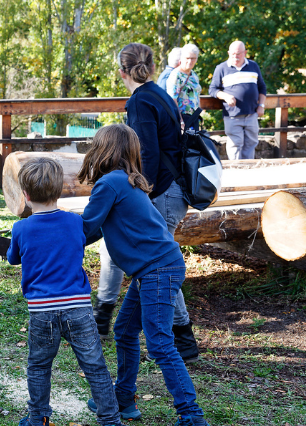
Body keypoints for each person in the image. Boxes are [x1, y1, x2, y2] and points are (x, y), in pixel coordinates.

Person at [81, 124, 209, 426]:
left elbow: (85, 229)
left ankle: (192, 416)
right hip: (155, 270)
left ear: (103, 150)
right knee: (125, 331)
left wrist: (49, 229)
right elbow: (95, 229)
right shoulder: (126, 182)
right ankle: (123, 399)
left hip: (157, 271)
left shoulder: (109, 184)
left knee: (160, 344)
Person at [93, 43, 199, 364]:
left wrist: (141, 193)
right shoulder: (159, 93)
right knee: (112, 246)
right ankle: (101, 318)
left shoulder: (141, 101)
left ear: (121, 71)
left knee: (160, 264)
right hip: (169, 188)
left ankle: (184, 339)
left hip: (162, 191)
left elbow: (148, 153)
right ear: (151, 67)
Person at [7, 158, 124, 426]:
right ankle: (110, 420)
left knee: (39, 366)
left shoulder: (21, 228)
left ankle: (38, 419)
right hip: (78, 308)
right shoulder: (74, 222)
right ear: (60, 191)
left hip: (42, 312)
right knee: (95, 366)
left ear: (25, 195)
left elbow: (13, 258)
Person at [208, 40, 267, 160]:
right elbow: (213, 90)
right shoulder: (221, 68)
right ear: (228, 53)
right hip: (232, 115)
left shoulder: (253, 66)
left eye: (239, 53)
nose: (236, 56)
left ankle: (248, 171)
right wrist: (225, 96)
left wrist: (261, 105)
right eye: (233, 53)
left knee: (251, 143)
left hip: (252, 113)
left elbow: (262, 87)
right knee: (235, 145)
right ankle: (236, 170)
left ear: (245, 53)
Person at [166, 43, 202, 116]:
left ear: (196, 59)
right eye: (187, 58)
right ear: (181, 58)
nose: (190, 61)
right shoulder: (176, 75)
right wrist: (180, 121)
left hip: (194, 117)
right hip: (181, 117)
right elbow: (172, 100)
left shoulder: (194, 75)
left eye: (193, 58)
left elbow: (197, 96)